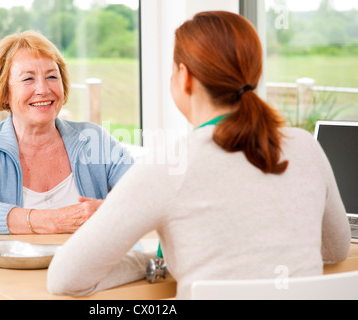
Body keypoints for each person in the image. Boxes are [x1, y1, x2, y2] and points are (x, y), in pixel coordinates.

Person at [46, 11, 350, 299]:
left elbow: (65, 278)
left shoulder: (170, 163)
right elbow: (336, 250)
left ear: (184, 76)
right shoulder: (304, 145)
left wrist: (158, 261)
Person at [0, 30, 133, 235]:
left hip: (89, 265)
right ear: (5, 91)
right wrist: (52, 221)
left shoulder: (94, 139)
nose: (43, 89)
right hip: (11, 267)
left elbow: (146, 191)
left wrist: (111, 210)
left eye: (52, 76)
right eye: (28, 79)